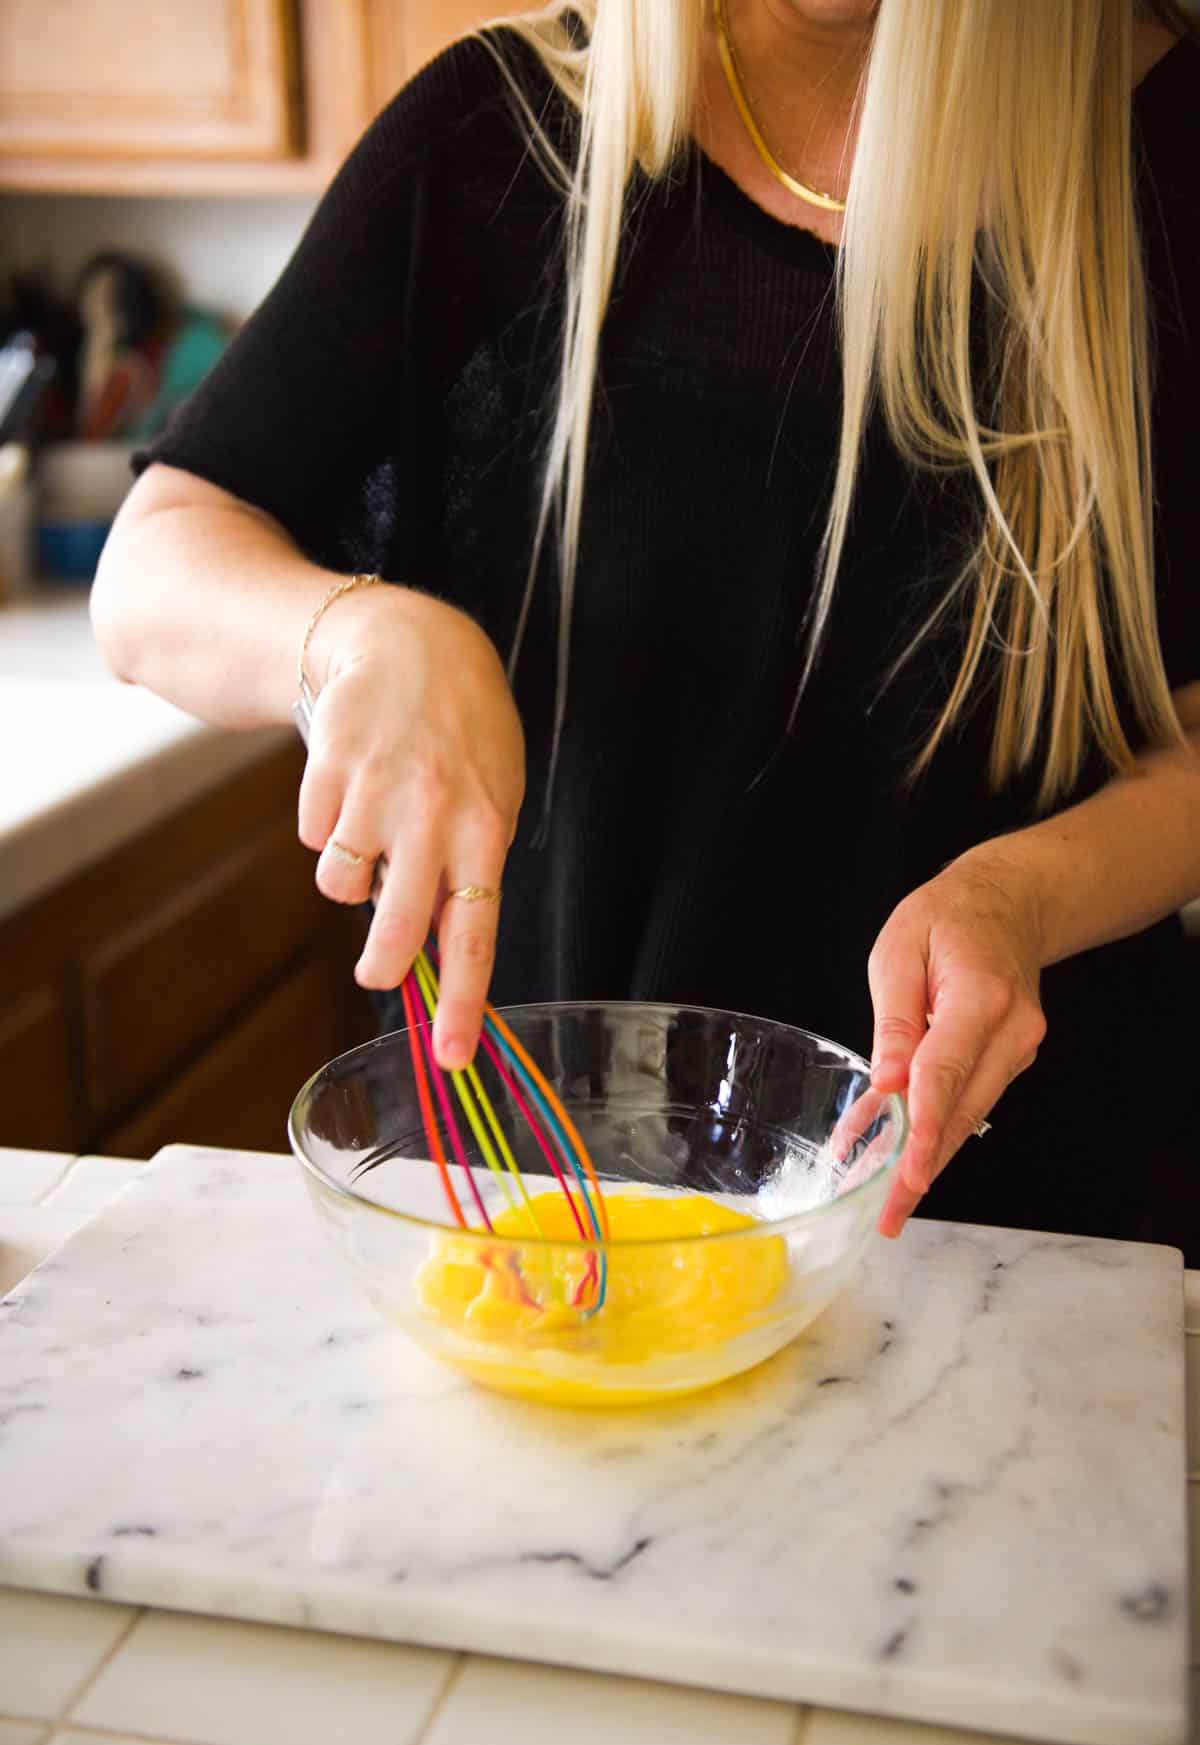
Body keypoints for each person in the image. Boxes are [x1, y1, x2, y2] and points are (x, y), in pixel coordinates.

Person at [91, 2, 1200, 1256]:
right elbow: (152, 569)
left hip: (1021, 1247)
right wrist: (355, 638)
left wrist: (1027, 895)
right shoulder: (498, 133)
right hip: (554, 1217)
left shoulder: (1167, 151)